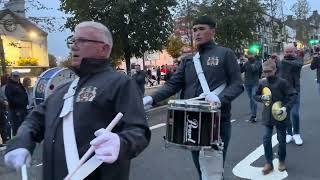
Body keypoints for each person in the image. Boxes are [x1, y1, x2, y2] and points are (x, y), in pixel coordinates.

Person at [4, 21, 151, 180]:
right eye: (72, 41)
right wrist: (21, 142)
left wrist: (121, 143)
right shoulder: (63, 90)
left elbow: (139, 131)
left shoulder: (121, 84)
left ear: (104, 48)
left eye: (81, 41)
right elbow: (34, 120)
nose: (73, 46)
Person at [143, 15, 243, 179]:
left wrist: (220, 99)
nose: (197, 33)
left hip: (217, 121)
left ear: (212, 31)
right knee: (201, 169)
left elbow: (237, 84)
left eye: (201, 29)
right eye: (195, 30)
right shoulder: (189, 60)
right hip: (191, 120)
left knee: (213, 170)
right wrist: (151, 99)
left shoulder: (225, 54)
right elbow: (173, 84)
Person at [255, 60, 297, 175]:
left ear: (275, 70)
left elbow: (293, 96)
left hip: (280, 116)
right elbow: (255, 95)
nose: (267, 74)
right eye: (265, 71)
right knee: (266, 139)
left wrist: (285, 108)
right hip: (267, 115)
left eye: (269, 71)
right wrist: (261, 98)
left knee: (282, 141)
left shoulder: (282, 83)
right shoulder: (262, 83)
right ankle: (268, 162)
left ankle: (282, 160)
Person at [279, 45, 304, 145]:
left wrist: (282, 60)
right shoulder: (280, 62)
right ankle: (289, 133)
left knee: (295, 113)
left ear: (295, 52)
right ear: (284, 52)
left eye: (290, 51)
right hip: (283, 91)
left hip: (294, 91)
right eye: (286, 51)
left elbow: (297, 65)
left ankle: (296, 134)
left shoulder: (298, 59)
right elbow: (274, 72)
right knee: (286, 114)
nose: (288, 53)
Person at [5, 71, 28, 136]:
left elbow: (24, 94)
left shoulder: (19, 85)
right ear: (11, 77)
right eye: (14, 76)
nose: (16, 77)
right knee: (16, 127)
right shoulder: (9, 86)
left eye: (17, 76)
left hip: (23, 109)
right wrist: (18, 105)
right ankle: (16, 143)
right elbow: (10, 98)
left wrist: (25, 103)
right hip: (15, 110)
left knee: (23, 126)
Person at [240, 54, 261, 122]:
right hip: (247, 84)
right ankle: (253, 114)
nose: (250, 56)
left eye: (251, 55)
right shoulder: (246, 63)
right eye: (249, 55)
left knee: (253, 98)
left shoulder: (258, 62)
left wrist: (251, 64)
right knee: (251, 99)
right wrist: (241, 63)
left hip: (255, 83)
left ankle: (254, 115)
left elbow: (255, 69)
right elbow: (241, 70)